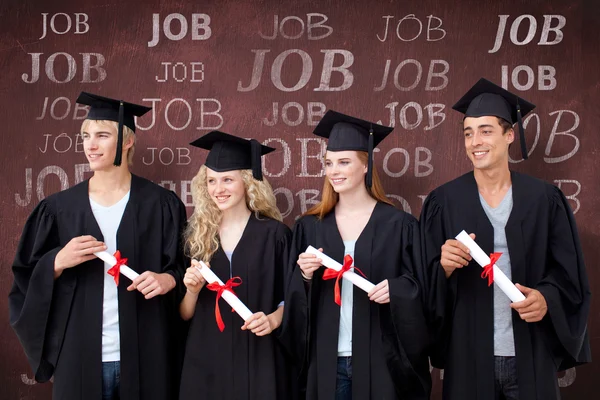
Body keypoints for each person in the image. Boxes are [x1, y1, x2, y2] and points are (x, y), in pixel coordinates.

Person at [9, 92, 188, 400]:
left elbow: (186, 268)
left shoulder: (161, 205)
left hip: (147, 354)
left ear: (127, 141)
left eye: (102, 136)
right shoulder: (58, 210)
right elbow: (25, 280)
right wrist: (56, 261)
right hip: (78, 356)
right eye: (86, 136)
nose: (90, 145)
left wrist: (167, 278)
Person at [420, 78, 591, 399]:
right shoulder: (443, 202)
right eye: (468, 132)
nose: (475, 141)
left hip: (530, 354)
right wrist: (441, 267)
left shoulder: (544, 200)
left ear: (509, 135)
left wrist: (546, 298)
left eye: (485, 130)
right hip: (467, 354)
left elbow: (569, 275)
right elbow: (420, 285)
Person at [279, 110, 431, 400]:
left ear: (366, 165)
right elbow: (294, 303)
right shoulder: (309, 227)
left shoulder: (399, 226)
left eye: (344, 162)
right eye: (329, 163)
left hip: (381, 361)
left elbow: (422, 288)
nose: (334, 170)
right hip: (327, 361)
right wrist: (305, 276)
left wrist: (397, 290)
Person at [179, 131, 294, 400]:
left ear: (247, 182)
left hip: (261, 357)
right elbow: (184, 314)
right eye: (212, 181)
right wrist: (192, 290)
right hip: (207, 359)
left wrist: (274, 319)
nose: (218, 189)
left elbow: (293, 297)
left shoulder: (275, 235)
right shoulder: (197, 236)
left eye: (227, 180)